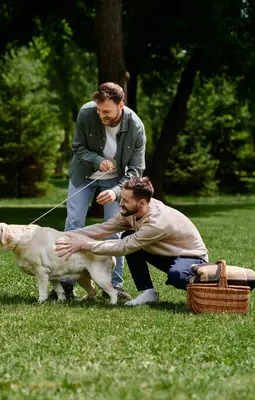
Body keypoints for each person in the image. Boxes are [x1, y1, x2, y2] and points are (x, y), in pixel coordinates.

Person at [53, 82, 146, 301]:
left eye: (107, 111)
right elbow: (78, 148)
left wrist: (115, 192)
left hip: (118, 181)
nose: (101, 114)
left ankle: (113, 286)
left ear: (120, 105)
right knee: (74, 224)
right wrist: (98, 161)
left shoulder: (136, 127)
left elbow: (136, 170)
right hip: (83, 175)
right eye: (99, 110)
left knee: (115, 230)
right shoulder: (86, 113)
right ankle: (66, 284)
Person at [54, 177, 209, 307]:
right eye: (121, 198)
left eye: (125, 201)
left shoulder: (157, 222)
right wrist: (62, 235)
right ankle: (148, 293)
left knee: (177, 276)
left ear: (141, 203)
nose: (120, 204)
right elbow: (104, 228)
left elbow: (123, 247)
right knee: (128, 234)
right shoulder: (132, 211)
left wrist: (84, 244)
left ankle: (208, 286)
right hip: (166, 253)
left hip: (192, 257)